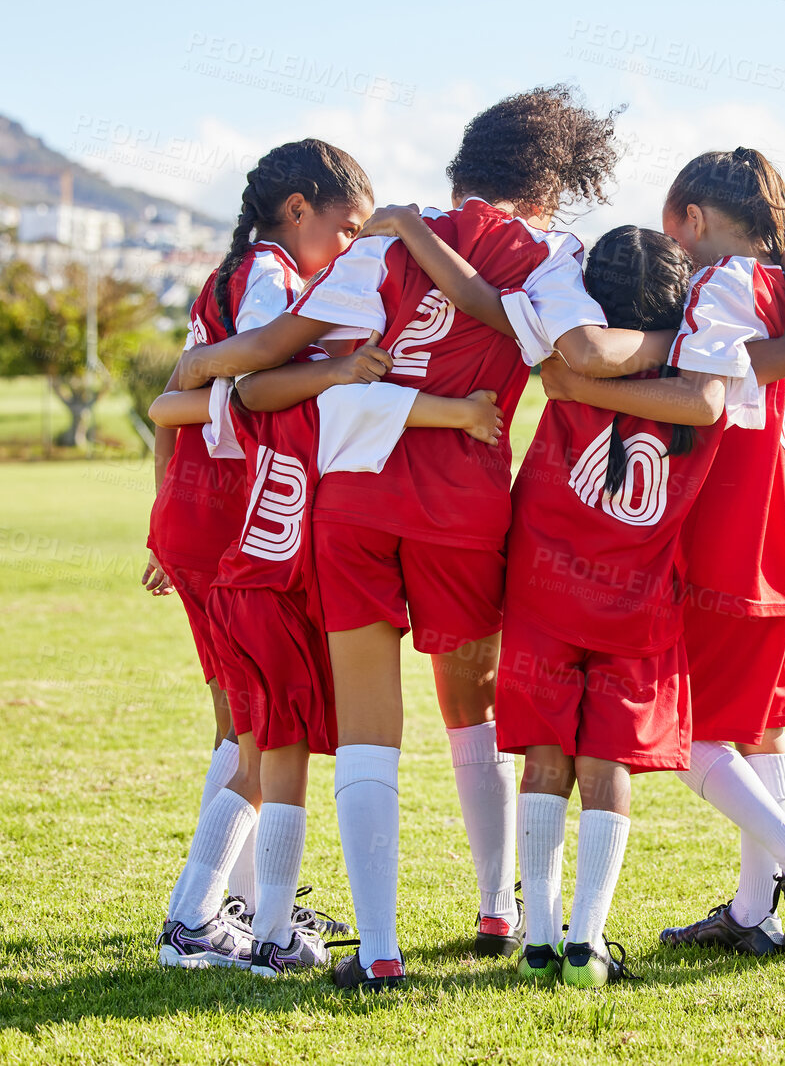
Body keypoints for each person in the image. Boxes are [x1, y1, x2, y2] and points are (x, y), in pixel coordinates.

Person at [169, 85, 666, 991]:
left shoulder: (383, 240)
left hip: (351, 504)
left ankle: (381, 948)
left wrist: (200, 368)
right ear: (551, 184)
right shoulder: (551, 250)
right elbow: (579, 354)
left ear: (463, 166)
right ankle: (496, 907)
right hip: (467, 514)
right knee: (470, 715)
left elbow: (297, 348)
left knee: (366, 730)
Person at [544, 148, 785, 957]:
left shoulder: (721, 286)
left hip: (726, 544)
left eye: (669, 224)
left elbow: (702, 399)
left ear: (692, 220)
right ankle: (752, 916)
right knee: (761, 733)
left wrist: (581, 385)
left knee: (683, 731)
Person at [145, 139, 373, 966]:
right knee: (256, 727)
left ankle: (233, 910)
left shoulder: (236, 273)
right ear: (301, 209)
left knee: (247, 724)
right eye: (346, 229)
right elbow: (258, 360)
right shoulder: (273, 274)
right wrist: (211, 362)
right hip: (236, 526)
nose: (349, 251)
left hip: (210, 518)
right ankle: (216, 912)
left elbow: (169, 405)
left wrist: (160, 511)